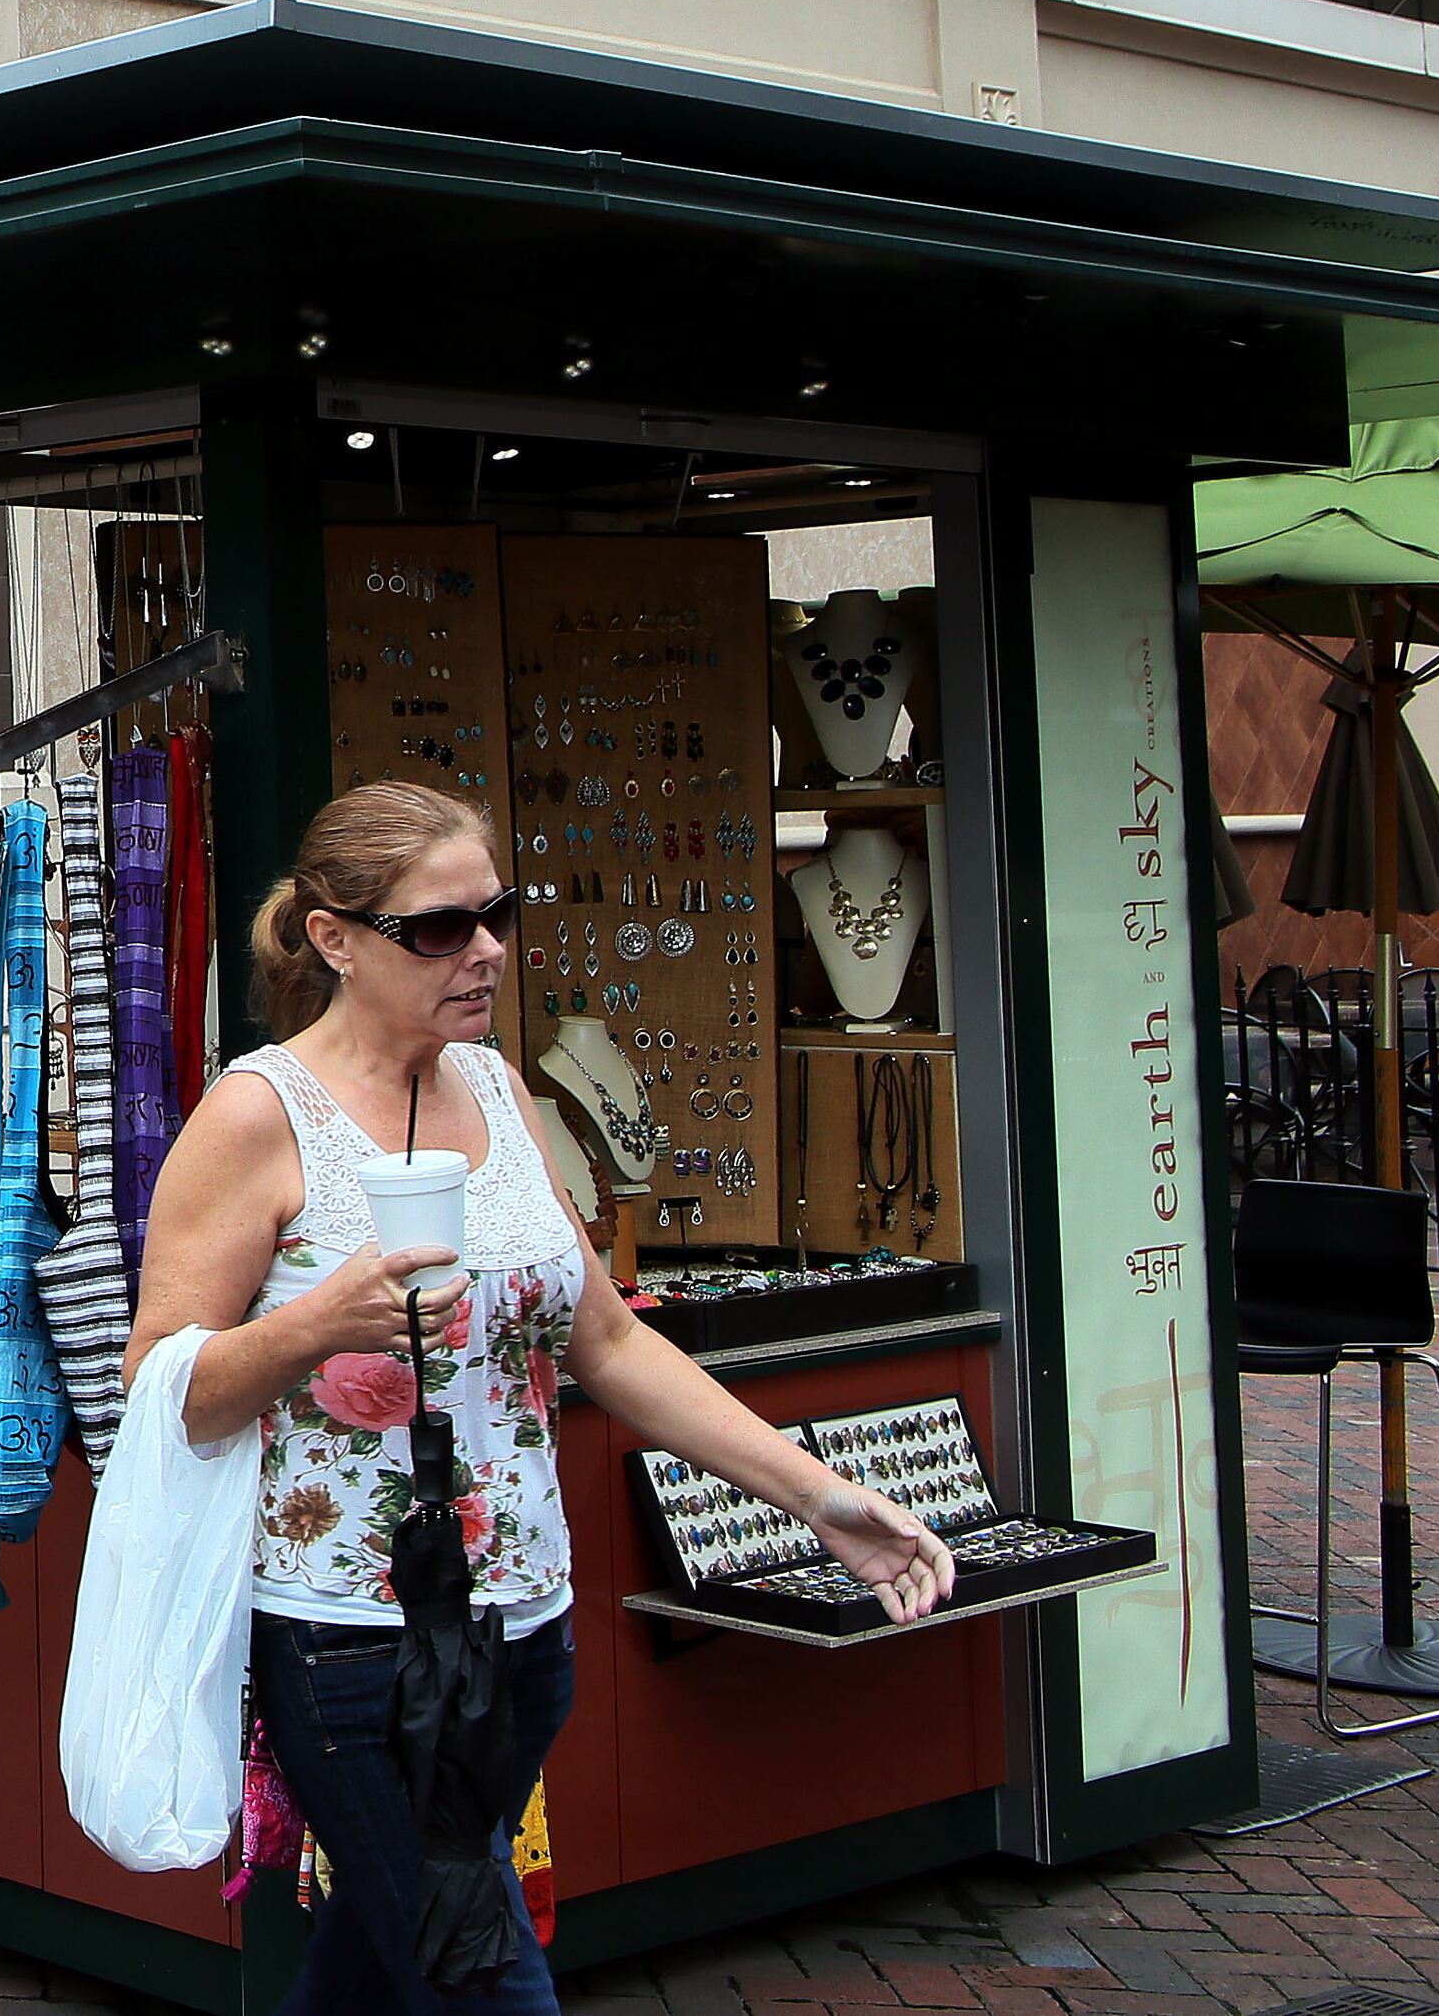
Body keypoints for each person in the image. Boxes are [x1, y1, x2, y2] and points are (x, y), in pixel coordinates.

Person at [126, 781, 956, 2016]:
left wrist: (819, 1496)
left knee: (380, 1952)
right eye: (440, 927)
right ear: (334, 939)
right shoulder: (259, 1113)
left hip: (525, 1627)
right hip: (353, 1641)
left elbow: (608, 1342)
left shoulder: (501, 1093)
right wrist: (314, 1324)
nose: (487, 951)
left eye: (495, 914)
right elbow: (158, 1384)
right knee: (477, 1964)